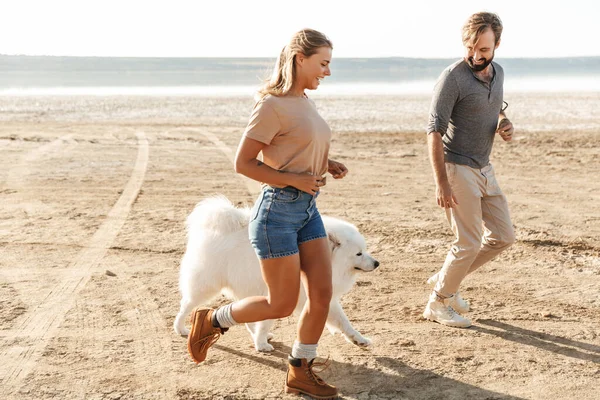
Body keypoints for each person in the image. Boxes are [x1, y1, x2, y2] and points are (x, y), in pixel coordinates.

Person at [186, 28, 348, 399]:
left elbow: (294, 147)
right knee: (281, 304)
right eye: (322, 64)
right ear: (300, 59)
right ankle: (212, 319)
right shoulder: (271, 104)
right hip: (277, 214)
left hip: (308, 211)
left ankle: (300, 370)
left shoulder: (305, 100)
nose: (327, 71)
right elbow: (243, 163)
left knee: (322, 294)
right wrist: (292, 178)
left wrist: (327, 162)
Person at [423, 12, 516, 328]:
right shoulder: (452, 77)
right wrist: (441, 183)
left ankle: (447, 279)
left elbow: (496, 108)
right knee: (468, 242)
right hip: (457, 167)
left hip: (485, 168)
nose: (476, 56)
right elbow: (433, 129)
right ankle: (437, 302)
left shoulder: (499, 73)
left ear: (497, 45)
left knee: (503, 236)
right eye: (471, 48)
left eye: (484, 50)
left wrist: (504, 124)